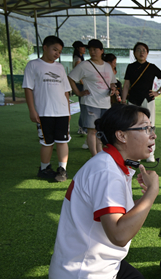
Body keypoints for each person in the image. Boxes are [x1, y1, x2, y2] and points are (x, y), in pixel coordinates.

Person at [30, 104, 160, 279]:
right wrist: (151, 195)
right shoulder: (106, 172)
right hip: (85, 278)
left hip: (95, 264)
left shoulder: (113, 163)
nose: (152, 134)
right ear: (121, 135)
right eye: (145, 128)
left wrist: (143, 197)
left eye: (151, 127)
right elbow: (119, 234)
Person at [23, 35, 72, 182]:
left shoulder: (60, 67)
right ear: (45, 47)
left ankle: (62, 169)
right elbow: (28, 89)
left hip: (62, 111)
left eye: (59, 51)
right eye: (54, 50)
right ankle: (44, 169)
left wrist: (68, 111)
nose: (57, 54)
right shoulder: (33, 65)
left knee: (63, 141)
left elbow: (66, 91)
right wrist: (32, 110)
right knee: (47, 142)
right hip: (44, 112)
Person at [122, 42, 161, 163]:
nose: (141, 52)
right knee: (133, 127)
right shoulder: (130, 67)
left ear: (147, 53)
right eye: (138, 50)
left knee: (150, 126)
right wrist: (123, 100)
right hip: (133, 100)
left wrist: (158, 92)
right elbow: (126, 85)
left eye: (144, 50)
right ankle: (136, 154)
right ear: (134, 53)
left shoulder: (152, 67)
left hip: (148, 100)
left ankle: (150, 153)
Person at [68, 39, 116, 157]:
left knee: (100, 131)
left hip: (105, 103)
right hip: (90, 102)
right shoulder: (85, 65)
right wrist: (78, 93)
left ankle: (99, 154)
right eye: (90, 50)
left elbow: (112, 83)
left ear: (101, 51)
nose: (92, 52)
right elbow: (70, 78)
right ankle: (94, 156)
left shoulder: (108, 66)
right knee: (92, 130)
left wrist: (113, 89)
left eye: (95, 49)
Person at [72, 41, 87, 137]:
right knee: (84, 106)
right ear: (78, 48)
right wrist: (84, 83)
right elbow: (78, 74)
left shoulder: (80, 58)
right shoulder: (78, 59)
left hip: (81, 85)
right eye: (82, 47)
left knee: (84, 106)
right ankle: (82, 127)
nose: (84, 49)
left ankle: (82, 127)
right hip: (81, 86)